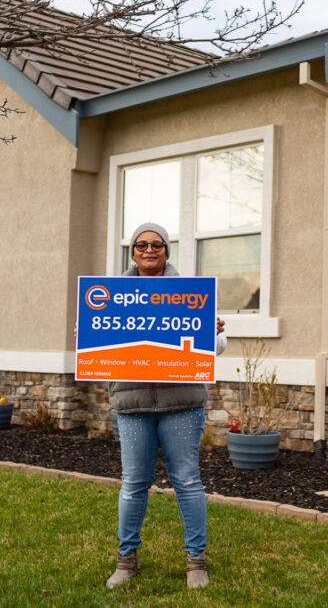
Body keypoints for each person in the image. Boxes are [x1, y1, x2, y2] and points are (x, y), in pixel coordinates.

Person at [105, 222, 227, 590]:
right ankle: (126, 561)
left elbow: (216, 349)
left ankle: (196, 563)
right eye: (141, 244)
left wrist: (215, 333)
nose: (148, 250)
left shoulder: (189, 293)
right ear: (133, 252)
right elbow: (99, 347)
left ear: (166, 251)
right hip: (132, 401)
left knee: (187, 481)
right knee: (133, 484)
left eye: (156, 244)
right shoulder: (110, 295)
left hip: (181, 403)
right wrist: (89, 337)